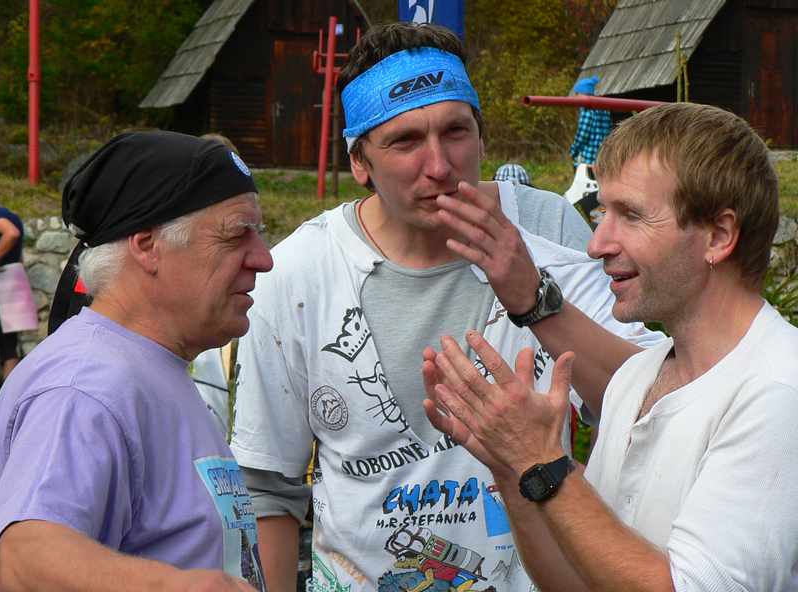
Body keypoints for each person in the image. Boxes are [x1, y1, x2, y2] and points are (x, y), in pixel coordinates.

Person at [230, 21, 664, 592]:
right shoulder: (297, 273)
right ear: (359, 162)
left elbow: (650, 415)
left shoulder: (547, 226)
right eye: (405, 141)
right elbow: (269, 489)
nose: (439, 165)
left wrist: (534, 299)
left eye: (456, 131)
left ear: (482, 139)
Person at [422, 102, 798, 591]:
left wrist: (542, 462)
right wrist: (514, 472)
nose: (597, 244)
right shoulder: (636, 379)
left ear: (718, 236)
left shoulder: (778, 389)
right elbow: (580, 580)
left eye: (631, 216)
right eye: (603, 213)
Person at [0, 131, 274, 592]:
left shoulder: (145, 366)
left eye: (258, 234)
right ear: (147, 245)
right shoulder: (84, 386)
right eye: (235, 235)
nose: (263, 259)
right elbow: (22, 560)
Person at [0, 201, 25, 378]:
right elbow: (19, 257)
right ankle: (8, 394)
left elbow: (11, 233)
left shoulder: (0, 215)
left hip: (0, 280)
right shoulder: (13, 216)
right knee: (9, 348)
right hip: (10, 282)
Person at [568, 76, 612, 167]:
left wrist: (573, 152)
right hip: (602, 158)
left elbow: (582, 136)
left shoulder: (587, 110)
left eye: (577, 94)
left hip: (587, 159)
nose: (576, 97)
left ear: (583, 93)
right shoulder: (604, 109)